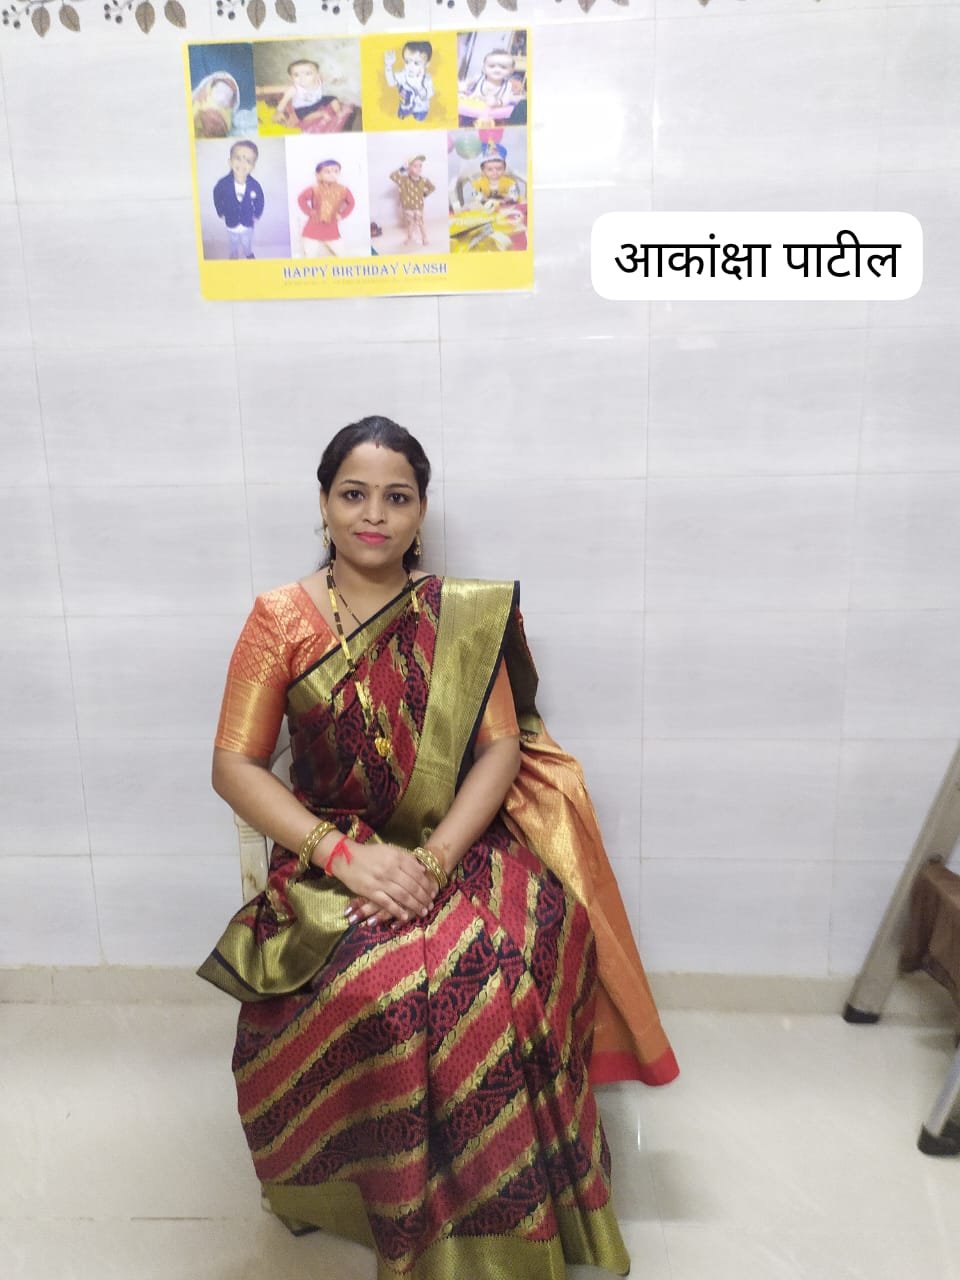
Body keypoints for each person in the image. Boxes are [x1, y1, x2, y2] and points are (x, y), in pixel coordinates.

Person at [200, 416, 678, 1279]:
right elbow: (234, 765)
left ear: (421, 511)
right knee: (376, 989)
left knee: (504, 965)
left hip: (458, 847)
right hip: (329, 855)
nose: (373, 515)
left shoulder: (462, 614)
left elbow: (499, 748)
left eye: (397, 497)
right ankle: (358, 1192)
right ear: (323, 503)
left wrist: (432, 861)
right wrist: (345, 858)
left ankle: (504, 1216)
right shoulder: (279, 619)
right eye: (354, 494)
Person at [211, 141, 264, 260]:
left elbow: (260, 200)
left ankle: (248, 252)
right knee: (233, 241)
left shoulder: (255, 185)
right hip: (231, 222)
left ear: (253, 166)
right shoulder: (223, 184)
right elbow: (217, 197)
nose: (242, 163)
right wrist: (220, 212)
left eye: (248, 161)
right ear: (230, 161)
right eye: (238, 158)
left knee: (246, 241)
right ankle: (234, 254)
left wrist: (257, 214)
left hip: (248, 223)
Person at [296, 159, 355, 258]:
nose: (332, 174)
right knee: (310, 256)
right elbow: (301, 199)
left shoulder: (343, 190)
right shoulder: (315, 188)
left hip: (331, 230)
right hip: (313, 229)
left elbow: (351, 203)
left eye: (336, 171)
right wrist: (310, 211)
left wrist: (342, 215)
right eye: (327, 172)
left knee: (342, 255)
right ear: (318, 175)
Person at [458, 49, 524, 127]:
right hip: (472, 108)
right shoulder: (479, 78)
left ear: (511, 71)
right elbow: (466, 83)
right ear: (484, 68)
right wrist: (462, 86)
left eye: (503, 67)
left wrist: (497, 103)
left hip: (491, 114)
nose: (497, 70)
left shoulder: (507, 85)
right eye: (492, 66)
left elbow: (505, 101)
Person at [389, 155, 435, 248]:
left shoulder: (424, 180)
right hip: (408, 207)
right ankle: (409, 237)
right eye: (415, 166)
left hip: (418, 206)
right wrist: (403, 168)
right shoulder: (403, 180)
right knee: (410, 224)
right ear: (409, 168)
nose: (418, 168)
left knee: (420, 222)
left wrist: (424, 194)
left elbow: (432, 188)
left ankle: (424, 237)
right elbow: (392, 176)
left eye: (420, 166)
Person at [384, 41, 434, 122]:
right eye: (407, 62)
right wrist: (388, 66)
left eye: (416, 63)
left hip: (420, 108)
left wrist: (419, 85)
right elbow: (391, 83)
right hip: (405, 105)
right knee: (401, 119)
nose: (410, 67)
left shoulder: (427, 79)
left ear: (426, 64)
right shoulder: (403, 74)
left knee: (419, 120)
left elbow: (425, 97)